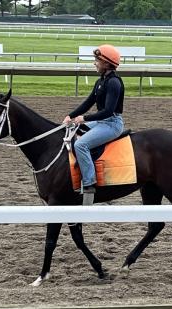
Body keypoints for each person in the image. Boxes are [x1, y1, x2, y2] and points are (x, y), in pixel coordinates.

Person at [63, 44, 125, 205]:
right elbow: (88, 102)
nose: (94, 63)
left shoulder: (114, 83)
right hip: (100, 122)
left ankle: (90, 183)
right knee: (72, 131)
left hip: (112, 124)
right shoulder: (100, 81)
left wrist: (84, 118)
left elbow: (108, 111)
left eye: (96, 60)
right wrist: (71, 116)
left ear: (106, 63)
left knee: (81, 144)